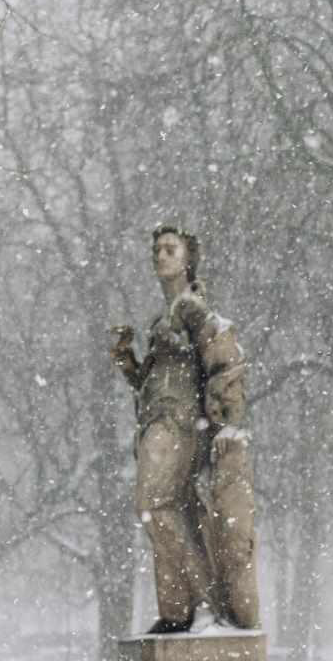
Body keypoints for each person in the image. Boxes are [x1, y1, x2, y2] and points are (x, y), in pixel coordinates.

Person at [109, 226, 260, 633]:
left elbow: (224, 358)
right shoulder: (164, 316)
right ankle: (178, 611)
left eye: (169, 249)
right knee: (168, 511)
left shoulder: (193, 309)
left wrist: (225, 419)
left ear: (188, 258)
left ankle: (206, 605)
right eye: (156, 249)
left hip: (180, 425)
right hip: (156, 424)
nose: (160, 256)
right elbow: (150, 383)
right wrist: (126, 359)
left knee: (156, 506)